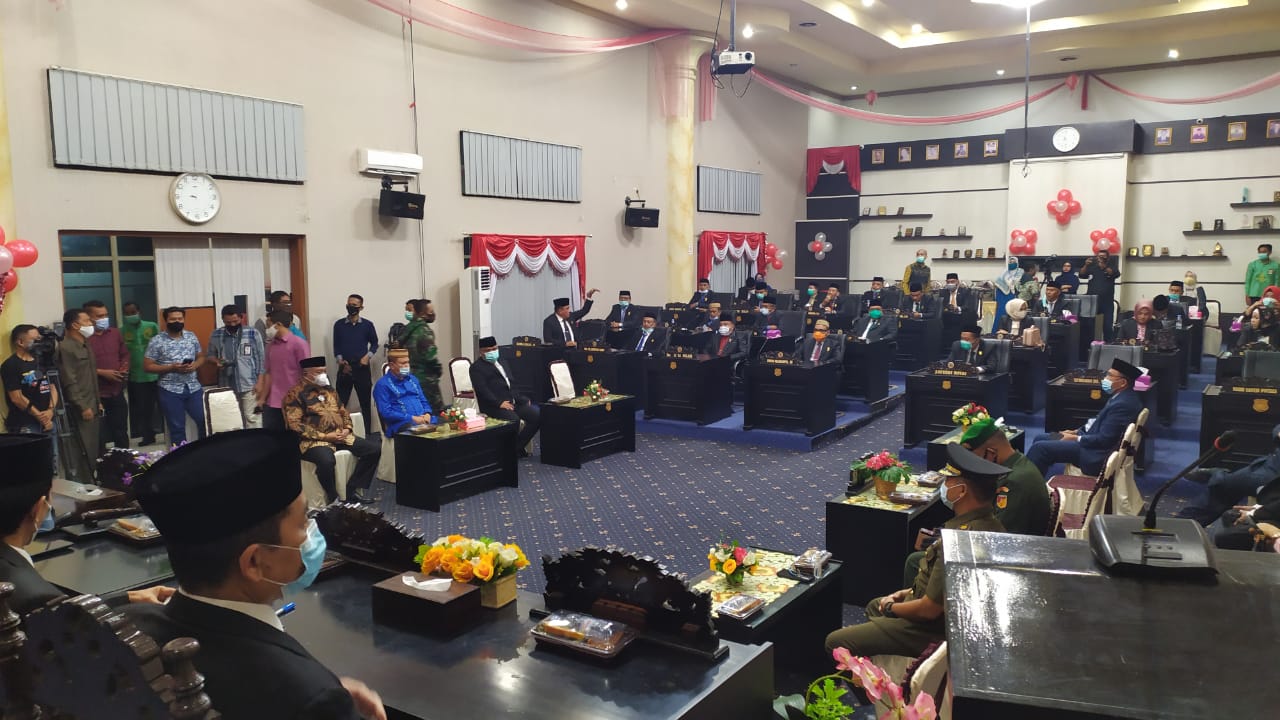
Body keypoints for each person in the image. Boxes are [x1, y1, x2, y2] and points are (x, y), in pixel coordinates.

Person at [126, 429, 385, 720]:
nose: (312, 533)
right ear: (254, 562)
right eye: (303, 522)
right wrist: (324, 698)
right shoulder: (311, 699)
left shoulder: (130, 628)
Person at [825, 444, 1006, 659]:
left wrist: (892, 608)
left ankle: (881, 680)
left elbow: (929, 610)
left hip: (934, 630)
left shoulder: (960, 540)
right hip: (953, 619)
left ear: (962, 491)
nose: (944, 485)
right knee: (875, 606)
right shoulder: (989, 524)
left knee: (836, 642)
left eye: (949, 480)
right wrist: (906, 594)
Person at [0, 434, 174, 614]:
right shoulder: (33, 596)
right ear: (38, 508)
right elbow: (69, 618)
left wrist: (128, 597)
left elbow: (69, 610)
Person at [283, 357, 380, 504]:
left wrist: (347, 428)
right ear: (306, 373)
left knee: (373, 450)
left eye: (324, 371)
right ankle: (333, 498)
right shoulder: (295, 394)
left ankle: (351, 491)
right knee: (326, 461)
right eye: (318, 372)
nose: (323, 375)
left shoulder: (329, 390)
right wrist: (325, 436)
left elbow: (343, 412)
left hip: (340, 436)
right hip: (313, 441)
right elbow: (295, 425)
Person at [1026, 358, 1143, 477]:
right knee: (1041, 437)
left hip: (1093, 451)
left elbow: (1104, 440)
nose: (1105, 378)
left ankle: (1031, 487)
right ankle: (1037, 480)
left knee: (1040, 448)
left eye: (1110, 375)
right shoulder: (1121, 396)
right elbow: (1095, 422)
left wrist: (1075, 438)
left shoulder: (1123, 405)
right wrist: (1075, 431)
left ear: (1122, 382)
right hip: (1085, 438)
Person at [1178, 424, 1280, 529]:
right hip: (1272, 463)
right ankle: (1183, 525)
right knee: (1228, 484)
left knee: (1223, 486)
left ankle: (1182, 526)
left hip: (1274, 475)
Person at [960, 418, 1049, 535]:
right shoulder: (1018, 462)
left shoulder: (1014, 483)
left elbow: (999, 535)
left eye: (977, 460)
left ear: (991, 453)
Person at [143, 307, 205, 446]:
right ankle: (181, 456)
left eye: (180, 319)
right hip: (169, 390)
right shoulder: (157, 341)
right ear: (166, 321)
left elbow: (201, 357)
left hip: (193, 388)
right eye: (173, 319)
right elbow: (147, 366)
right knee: (177, 428)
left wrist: (195, 365)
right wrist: (171, 367)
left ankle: (204, 451)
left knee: (204, 421)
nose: (177, 321)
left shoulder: (191, 336)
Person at [470, 337, 540, 456]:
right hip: (494, 405)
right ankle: (509, 452)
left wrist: (522, 399)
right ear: (481, 352)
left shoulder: (502, 362)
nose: (492, 352)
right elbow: (482, 390)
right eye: (488, 350)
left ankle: (516, 448)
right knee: (514, 420)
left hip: (512, 402)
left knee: (537, 416)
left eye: (494, 348)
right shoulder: (476, 368)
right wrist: (499, 403)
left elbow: (511, 384)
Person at [2, 326, 58, 473]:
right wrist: (39, 416)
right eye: (34, 339)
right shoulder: (10, 365)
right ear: (20, 342)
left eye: (40, 339)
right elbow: (16, 397)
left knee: (51, 462)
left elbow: (53, 387)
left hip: (48, 419)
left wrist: (50, 411)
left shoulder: (43, 362)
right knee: (30, 466)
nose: (39, 342)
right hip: (26, 422)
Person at [56, 308, 100, 481]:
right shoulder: (66, 347)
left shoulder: (85, 343)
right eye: (87, 321)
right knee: (81, 449)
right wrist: (82, 406)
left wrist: (98, 401)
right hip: (80, 406)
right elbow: (69, 380)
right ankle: (82, 486)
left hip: (92, 402)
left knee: (92, 449)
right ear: (75, 325)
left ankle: (91, 482)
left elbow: (90, 375)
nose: (91, 324)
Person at [207, 305, 265, 429]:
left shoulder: (252, 333)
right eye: (228, 322)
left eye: (235, 321)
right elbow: (210, 355)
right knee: (231, 419)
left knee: (253, 417)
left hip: (250, 383)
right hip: (226, 384)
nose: (232, 325)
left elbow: (261, 359)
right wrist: (216, 361)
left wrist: (260, 382)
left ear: (241, 318)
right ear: (223, 320)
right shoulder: (216, 334)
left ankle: (256, 440)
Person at [83, 300, 130, 453]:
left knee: (120, 431)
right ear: (89, 318)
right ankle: (102, 463)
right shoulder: (83, 338)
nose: (104, 318)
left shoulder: (115, 333)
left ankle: (125, 461)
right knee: (99, 435)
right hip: (95, 395)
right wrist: (102, 372)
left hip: (116, 390)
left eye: (106, 315)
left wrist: (124, 367)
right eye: (99, 316)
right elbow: (79, 367)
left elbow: (124, 354)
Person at [258, 310, 311, 431]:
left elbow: (307, 372)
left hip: (294, 401)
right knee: (272, 435)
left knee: (293, 436)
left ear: (278, 325)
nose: (267, 330)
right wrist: (262, 398)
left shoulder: (299, 344)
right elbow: (268, 373)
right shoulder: (270, 346)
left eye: (268, 325)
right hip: (272, 402)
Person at [333, 294, 378, 436]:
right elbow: (336, 346)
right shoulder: (339, 325)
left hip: (362, 368)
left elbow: (375, 344)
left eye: (354, 305)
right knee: (339, 404)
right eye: (349, 304)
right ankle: (338, 433)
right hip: (345, 368)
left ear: (361, 307)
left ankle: (367, 435)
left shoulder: (367, 325)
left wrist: (367, 356)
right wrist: (340, 360)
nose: (351, 307)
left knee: (365, 404)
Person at [121, 302, 161, 446]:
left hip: (157, 374)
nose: (131, 315)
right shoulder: (122, 331)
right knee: (142, 409)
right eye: (127, 313)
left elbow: (161, 347)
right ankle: (147, 435)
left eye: (133, 312)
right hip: (136, 377)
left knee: (162, 406)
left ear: (139, 312)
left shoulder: (152, 326)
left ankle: (166, 433)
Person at [372, 348, 432, 437]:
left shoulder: (413, 379)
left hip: (424, 420)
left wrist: (427, 413)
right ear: (392, 365)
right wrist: (412, 418)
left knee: (447, 424)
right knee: (414, 431)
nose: (407, 366)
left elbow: (424, 401)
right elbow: (386, 412)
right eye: (403, 363)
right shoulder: (382, 385)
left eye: (408, 362)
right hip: (401, 424)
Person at [400, 298, 443, 413]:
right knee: (434, 413)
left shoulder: (407, 330)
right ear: (423, 313)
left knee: (415, 411)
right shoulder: (424, 331)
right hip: (426, 380)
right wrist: (438, 370)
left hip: (408, 377)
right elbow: (430, 358)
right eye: (431, 311)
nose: (433, 314)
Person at [1079, 249, 1120, 340]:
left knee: (1107, 326)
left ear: (1107, 258)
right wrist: (1086, 265)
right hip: (1092, 301)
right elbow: (1081, 274)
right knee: (1089, 325)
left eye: (1103, 256)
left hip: (1107, 302)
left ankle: (1108, 344)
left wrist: (1104, 266)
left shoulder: (1112, 266)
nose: (1100, 258)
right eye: (1099, 256)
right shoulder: (1092, 266)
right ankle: (1089, 344)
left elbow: (1114, 273)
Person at [993, 257, 1023, 328]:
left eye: (1013, 262)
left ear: (1017, 263)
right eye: (1010, 262)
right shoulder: (1005, 272)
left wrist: (1011, 283)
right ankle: (996, 330)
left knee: (1011, 312)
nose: (1011, 264)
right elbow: (998, 282)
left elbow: (1016, 283)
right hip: (1002, 294)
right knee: (1000, 312)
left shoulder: (1020, 271)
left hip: (1012, 295)